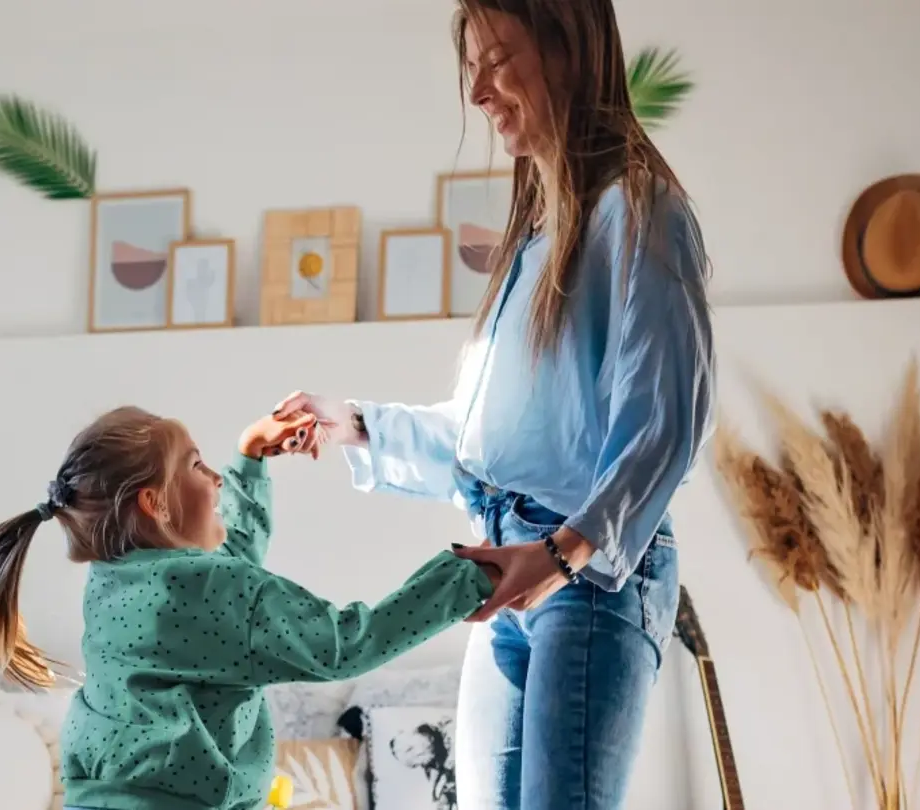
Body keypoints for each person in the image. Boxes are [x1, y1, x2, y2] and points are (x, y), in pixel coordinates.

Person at [272, 1, 715, 808]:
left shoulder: (639, 213)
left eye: (498, 59)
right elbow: (499, 445)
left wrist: (561, 556)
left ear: (570, 52)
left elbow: (665, 423)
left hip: (583, 574)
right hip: (508, 571)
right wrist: (356, 424)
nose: (477, 91)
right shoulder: (539, 238)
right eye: (470, 67)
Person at [0, 406, 501, 810]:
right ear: (154, 503)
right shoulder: (203, 591)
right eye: (197, 465)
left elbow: (225, 588)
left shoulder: (115, 581)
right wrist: (469, 576)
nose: (214, 477)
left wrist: (250, 457)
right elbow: (343, 645)